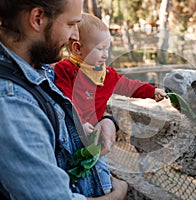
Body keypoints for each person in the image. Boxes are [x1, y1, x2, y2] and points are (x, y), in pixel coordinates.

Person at [0, 0, 127, 199]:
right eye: (70, 24)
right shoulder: (12, 103)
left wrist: (106, 119)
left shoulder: (39, 71)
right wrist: (118, 195)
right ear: (38, 19)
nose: (75, 35)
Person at [54, 12, 167, 197]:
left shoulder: (107, 75)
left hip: (95, 137)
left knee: (99, 168)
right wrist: (79, 122)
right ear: (77, 48)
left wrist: (151, 91)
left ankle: (104, 190)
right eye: (100, 49)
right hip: (71, 135)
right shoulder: (65, 70)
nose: (106, 55)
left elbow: (129, 86)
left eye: (108, 49)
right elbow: (65, 99)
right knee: (73, 172)